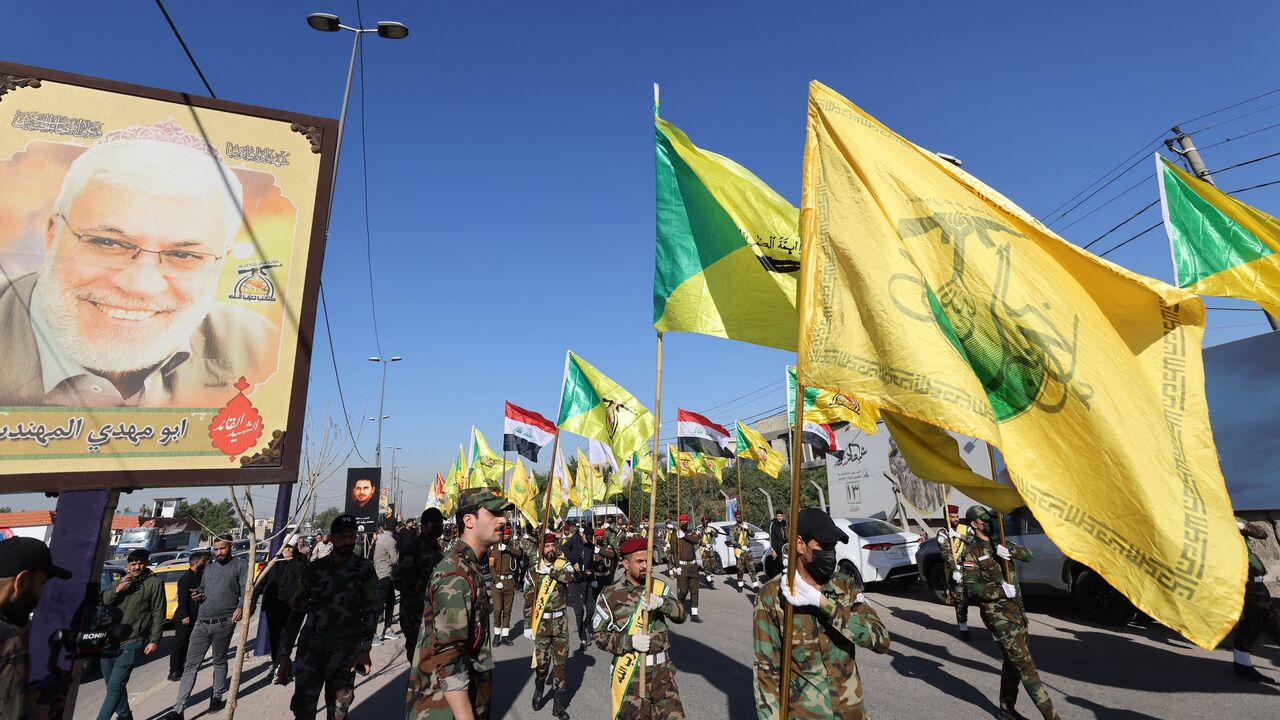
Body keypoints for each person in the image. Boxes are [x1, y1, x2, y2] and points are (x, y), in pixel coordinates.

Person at [0, 121, 275, 408]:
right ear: (53, 235)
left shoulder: (258, 347)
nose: (140, 286)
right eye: (108, 243)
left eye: (182, 255)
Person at [753, 508, 889, 719]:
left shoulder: (844, 586)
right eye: (823, 546)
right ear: (800, 544)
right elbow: (767, 672)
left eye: (833, 547)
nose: (830, 554)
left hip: (851, 711)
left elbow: (881, 641)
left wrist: (825, 604)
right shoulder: (772, 596)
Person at [407, 488, 511, 719]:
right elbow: (449, 655)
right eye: (494, 513)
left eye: (503, 514)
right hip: (443, 709)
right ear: (468, 520)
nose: (503, 520)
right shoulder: (456, 574)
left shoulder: (469, 567)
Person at [959, 506, 1060, 720]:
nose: (989, 522)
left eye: (990, 519)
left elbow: (1029, 555)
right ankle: (1052, 717)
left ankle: (1006, 709)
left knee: (1012, 663)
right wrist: (998, 590)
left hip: (1017, 612)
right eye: (983, 520)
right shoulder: (972, 553)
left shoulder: (1000, 542)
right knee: (1025, 666)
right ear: (973, 524)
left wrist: (1009, 550)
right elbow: (971, 587)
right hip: (999, 617)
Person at [272, 514, 376, 720]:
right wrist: (284, 655)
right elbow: (296, 614)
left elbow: (371, 611)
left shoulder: (364, 569)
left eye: (351, 536)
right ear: (332, 538)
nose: (348, 541)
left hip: (345, 655)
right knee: (303, 710)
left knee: (338, 712)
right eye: (342, 536)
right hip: (311, 653)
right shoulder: (314, 570)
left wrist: (365, 649)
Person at [593, 536, 687, 720]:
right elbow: (598, 636)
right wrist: (630, 641)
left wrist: (662, 604)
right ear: (626, 564)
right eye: (640, 561)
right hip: (631, 677)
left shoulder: (659, 587)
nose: (646, 566)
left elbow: (682, 615)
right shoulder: (610, 595)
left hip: (663, 676)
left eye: (648, 560)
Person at [166, 537, 245, 720]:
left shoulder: (240, 566)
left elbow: (246, 590)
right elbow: (203, 589)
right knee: (190, 666)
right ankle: (178, 709)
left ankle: (216, 696)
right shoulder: (208, 569)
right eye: (216, 549)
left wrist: (240, 607)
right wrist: (198, 595)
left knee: (219, 661)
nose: (218, 553)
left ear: (230, 547)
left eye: (222, 548)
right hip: (201, 623)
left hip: (223, 622)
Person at [0, 537, 72, 720]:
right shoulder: (10, 642)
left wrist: (25, 699)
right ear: (22, 581)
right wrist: (37, 714)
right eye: (40, 584)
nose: (40, 596)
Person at [100, 549, 166, 720]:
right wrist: (119, 588)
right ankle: (125, 717)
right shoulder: (120, 581)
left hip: (133, 640)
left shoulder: (154, 583)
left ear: (145, 564)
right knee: (112, 686)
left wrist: (154, 639)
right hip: (109, 641)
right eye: (133, 564)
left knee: (116, 685)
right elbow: (104, 601)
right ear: (128, 565)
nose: (136, 567)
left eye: (140, 563)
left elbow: (159, 612)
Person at [518, 532, 576, 719]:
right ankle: (539, 686)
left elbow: (569, 578)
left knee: (561, 665)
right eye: (547, 546)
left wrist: (550, 571)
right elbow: (529, 600)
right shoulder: (533, 570)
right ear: (541, 548)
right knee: (542, 664)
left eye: (553, 546)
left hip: (560, 624)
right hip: (542, 624)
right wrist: (527, 625)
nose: (550, 549)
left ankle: (558, 706)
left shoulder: (562, 564)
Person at [1230, 517, 1279, 681]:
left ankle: (1241, 664)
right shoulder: (1208, 526)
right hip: (1242, 581)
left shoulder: (1232, 520)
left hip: (1254, 580)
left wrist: (1241, 525)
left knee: (1252, 623)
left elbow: (1262, 534)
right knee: (1271, 620)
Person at [397, 507, 445, 664]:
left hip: (434, 616)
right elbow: (399, 581)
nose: (439, 526)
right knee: (419, 664)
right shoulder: (413, 549)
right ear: (423, 526)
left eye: (440, 523)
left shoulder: (436, 548)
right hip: (415, 616)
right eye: (435, 523)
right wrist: (426, 583)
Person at [251, 542, 304, 681]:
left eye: (290, 547)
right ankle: (277, 663)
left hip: (291, 607)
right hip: (273, 606)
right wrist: (252, 601)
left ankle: (281, 666)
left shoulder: (301, 562)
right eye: (285, 547)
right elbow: (260, 582)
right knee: (274, 638)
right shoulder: (274, 562)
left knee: (286, 637)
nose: (287, 550)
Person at [168, 550, 210, 681]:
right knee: (180, 643)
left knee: (189, 643)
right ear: (197, 562)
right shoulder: (186, 578)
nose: (205, 563)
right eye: (204, 560)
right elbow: (182, 599)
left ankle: (183, 666)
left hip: (194, 616)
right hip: (184, 617)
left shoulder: (199, 575)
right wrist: (185, 616)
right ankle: (174, 670)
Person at [561, 520, 595, 653]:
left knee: (591, 608)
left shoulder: (590, 547)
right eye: (588, 538)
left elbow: (590, 563)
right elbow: (563, 548)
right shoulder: (575, 539)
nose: (588, 541)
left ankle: (587, 625)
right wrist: (574, 561)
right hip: (573, 579)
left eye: (591, 539)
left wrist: (590, 572)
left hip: (585, 580)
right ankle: (582, 637)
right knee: (579, 610)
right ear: (583, 535)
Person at [939, 504, 972, 640]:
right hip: (957, 571)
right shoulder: (942, 533)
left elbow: (973, 541)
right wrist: (955, 569)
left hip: (972, 569)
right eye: (953, 517)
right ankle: (963, 628)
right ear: (946, 517)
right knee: (960, 600)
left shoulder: (965, 529)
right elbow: (945, 552)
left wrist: (959, 536)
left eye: (957, 516)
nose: (956, 518)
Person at [488, 526, 519, 647]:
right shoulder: (494, 550)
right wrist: (496, 580)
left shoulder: (511, 547)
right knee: (497, 610)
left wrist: (507, 548)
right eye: (504, 536)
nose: (506, 538)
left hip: (509, 583)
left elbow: (519, 553)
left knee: (507, 611)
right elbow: (491, 567)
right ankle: (496, 636)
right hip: (498, 584)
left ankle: (505, 636)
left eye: (507, 536)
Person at [371, 518, 400, 646]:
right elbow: (394, 560)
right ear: (395, 527)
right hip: (385, 576)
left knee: (390, 601)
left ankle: (387, 629)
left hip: (381, 574)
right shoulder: (391, 541)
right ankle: (372, 635)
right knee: (379, 605)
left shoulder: (380, 538)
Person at [669, 515, 702, 623]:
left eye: (686, 521)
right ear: (679, 523)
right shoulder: (674, 536)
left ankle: (694, 614)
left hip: (693, 566)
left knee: (695, 590)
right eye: (683, 521)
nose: (685, 523)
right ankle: (678, 606)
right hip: (682, 566)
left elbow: (697, 540)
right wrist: (677, 566)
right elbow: (674, 552)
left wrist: (685, 536)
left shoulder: (689, 532)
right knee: (683, 591)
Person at [729, 512, 759, 591]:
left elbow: (753, 534)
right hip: (740, 552)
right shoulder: (733, 528)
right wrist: (741, 546)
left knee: (752, 569)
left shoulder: (746, 526)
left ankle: (755, 586)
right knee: (740, 570)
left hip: (748, 552)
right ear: (736, 518)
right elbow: (732, 540)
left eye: (740, 517)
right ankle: (740, 585)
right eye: (738, 517)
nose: (739, 518)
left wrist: (747, 529)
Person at [766, 510, 786, 580]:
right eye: (778, 516)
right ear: (776, 516)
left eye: (780, 516)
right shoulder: (773, 524)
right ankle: (776, 582)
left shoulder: (784, 523)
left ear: (782, 516)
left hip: (785, 548)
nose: (779, 518)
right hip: (777, 549)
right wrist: (773, 550)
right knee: (778, 567)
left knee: (784, 566)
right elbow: (772, 538)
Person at [698, 517, 717, 589]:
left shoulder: (709, 528)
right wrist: (705, 544)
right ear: (702, 522)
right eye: (704, 521)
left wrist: (710, 532)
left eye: (707, 521)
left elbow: (716, 535)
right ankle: (708, 579)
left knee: (713, 565)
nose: (706, 522)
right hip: (704, 549)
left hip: (710, 549)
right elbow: (698, 541)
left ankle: (709, 573)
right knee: (706, 565)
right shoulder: (699, 530)